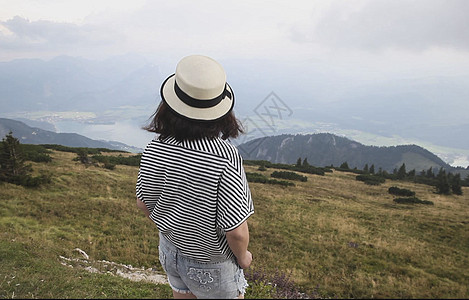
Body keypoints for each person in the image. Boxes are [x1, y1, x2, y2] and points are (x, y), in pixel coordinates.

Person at [136, 55, 254, 299]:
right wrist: (243, 258)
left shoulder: (155, 147)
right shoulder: (224, 156)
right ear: (221, 111)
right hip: (212, 265)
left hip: (170, 252)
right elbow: (236, 231)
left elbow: (143, 203)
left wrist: (174, 230)